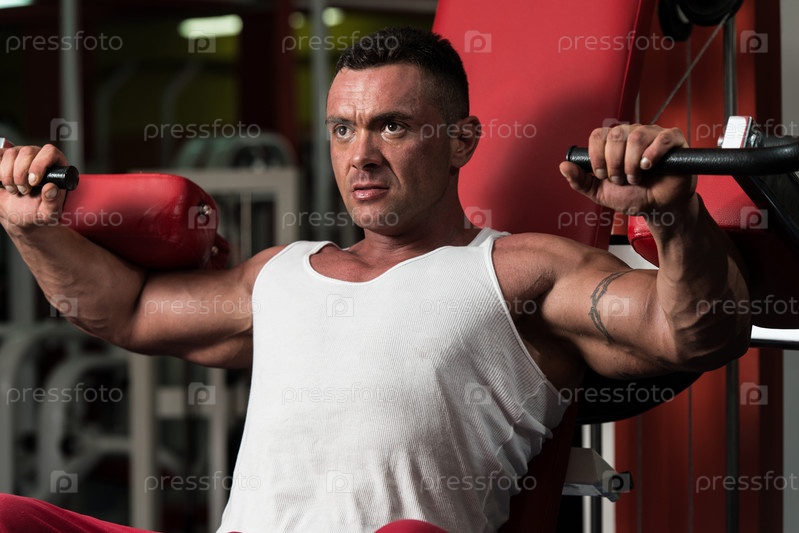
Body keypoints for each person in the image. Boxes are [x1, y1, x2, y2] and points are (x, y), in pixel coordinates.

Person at [0, 26, 749, 533]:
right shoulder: (280, 274)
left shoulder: (519, 269)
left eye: (392, 125)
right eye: (342, 128)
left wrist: (672, 212)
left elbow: (696, 334)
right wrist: (31, 226)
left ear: (461, 141)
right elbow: (125, 310)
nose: (359, 155)